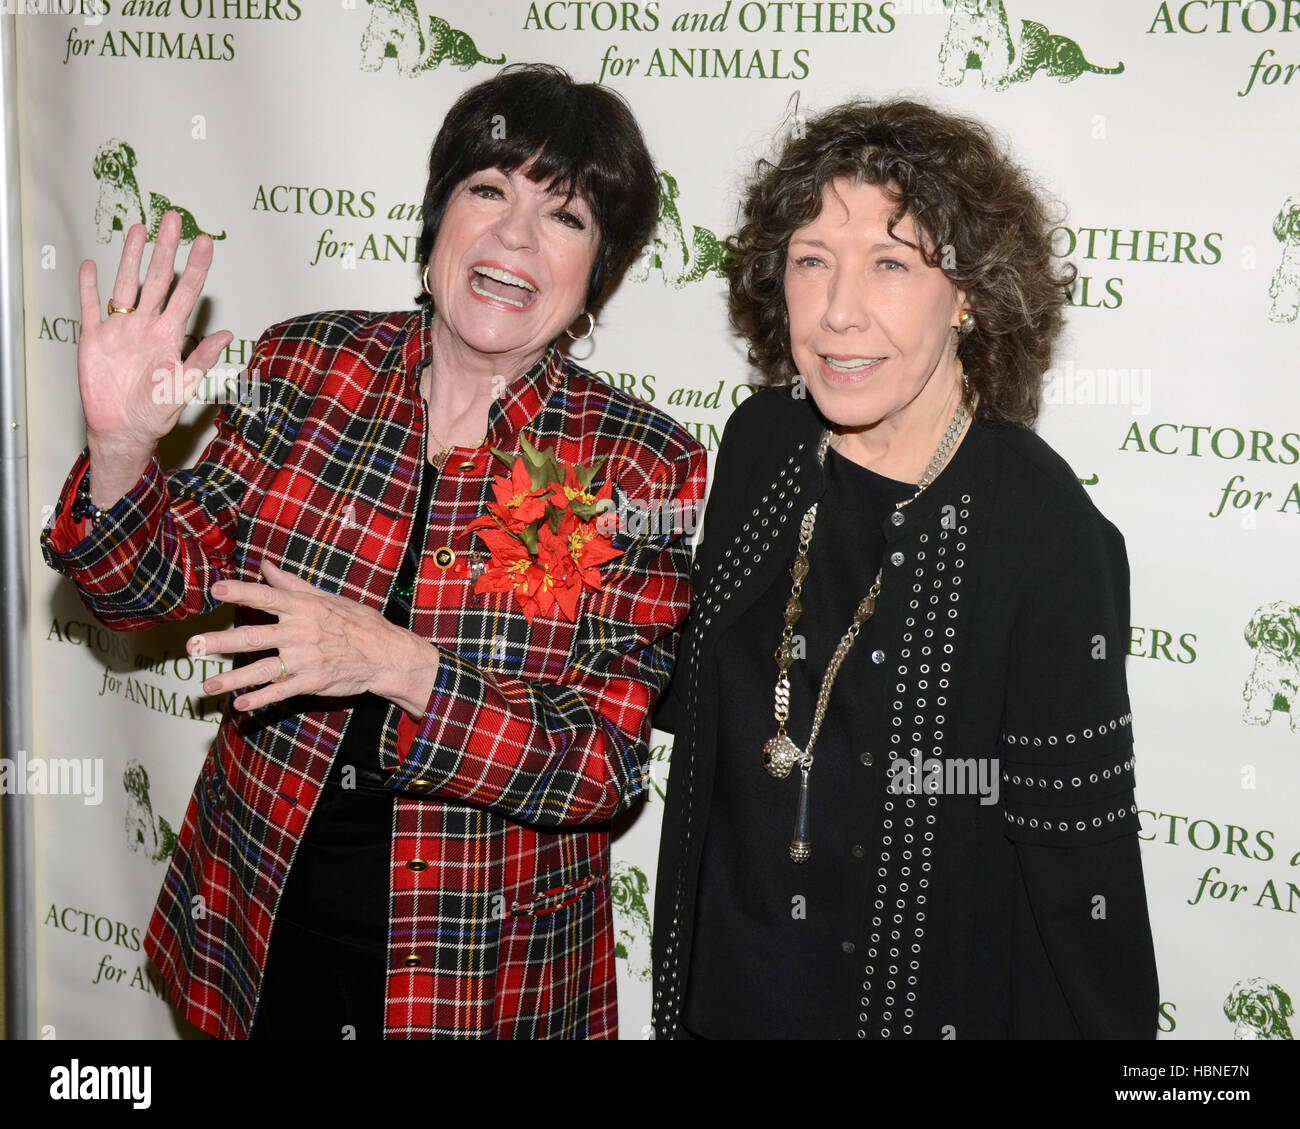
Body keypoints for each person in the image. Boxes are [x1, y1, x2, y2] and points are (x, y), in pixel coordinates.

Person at [42, 63, 705, 1040]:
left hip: (479, 970)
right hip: (263, 925)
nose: (515, 235)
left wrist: (400, 665)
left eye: (564, 216)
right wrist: (121, 450)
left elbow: (600, 764)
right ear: (436, 221)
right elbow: (152, 591)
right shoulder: (306, 365)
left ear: (595, 275)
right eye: (489, 190)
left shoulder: (639, 466)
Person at [651, 99, 1159, 1039]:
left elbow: (1080, 864)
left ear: (968, 292)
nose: (839, 312)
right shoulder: (761, 443)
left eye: (891, 264)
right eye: (812, 262)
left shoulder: (1045, 534)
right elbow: (712, 696)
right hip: (721, 999)